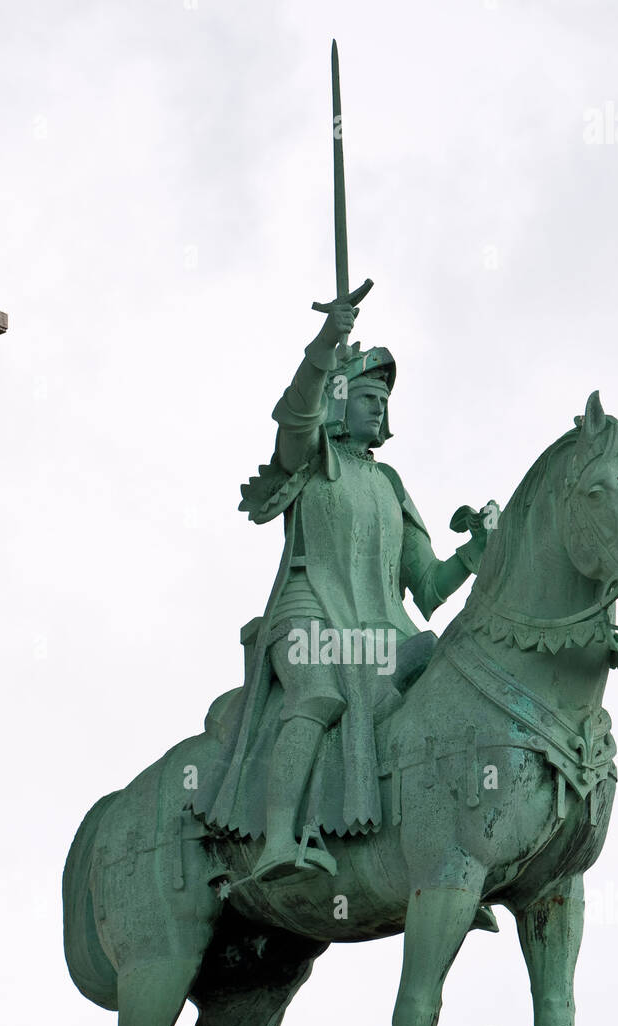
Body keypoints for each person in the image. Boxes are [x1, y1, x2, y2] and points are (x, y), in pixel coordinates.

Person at [198, 298, 489, 881]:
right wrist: (327, 343)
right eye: (368, 398)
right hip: (307, 615)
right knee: (319, 692)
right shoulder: (309, 456)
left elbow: (428, 586)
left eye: (385, 402)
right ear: (338, 402)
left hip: (382, 631)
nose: (381, 410)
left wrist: (476, 552)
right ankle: (280, 838)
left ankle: (453, 847)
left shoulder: (388, 482)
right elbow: (294, 416)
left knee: (450, 684)